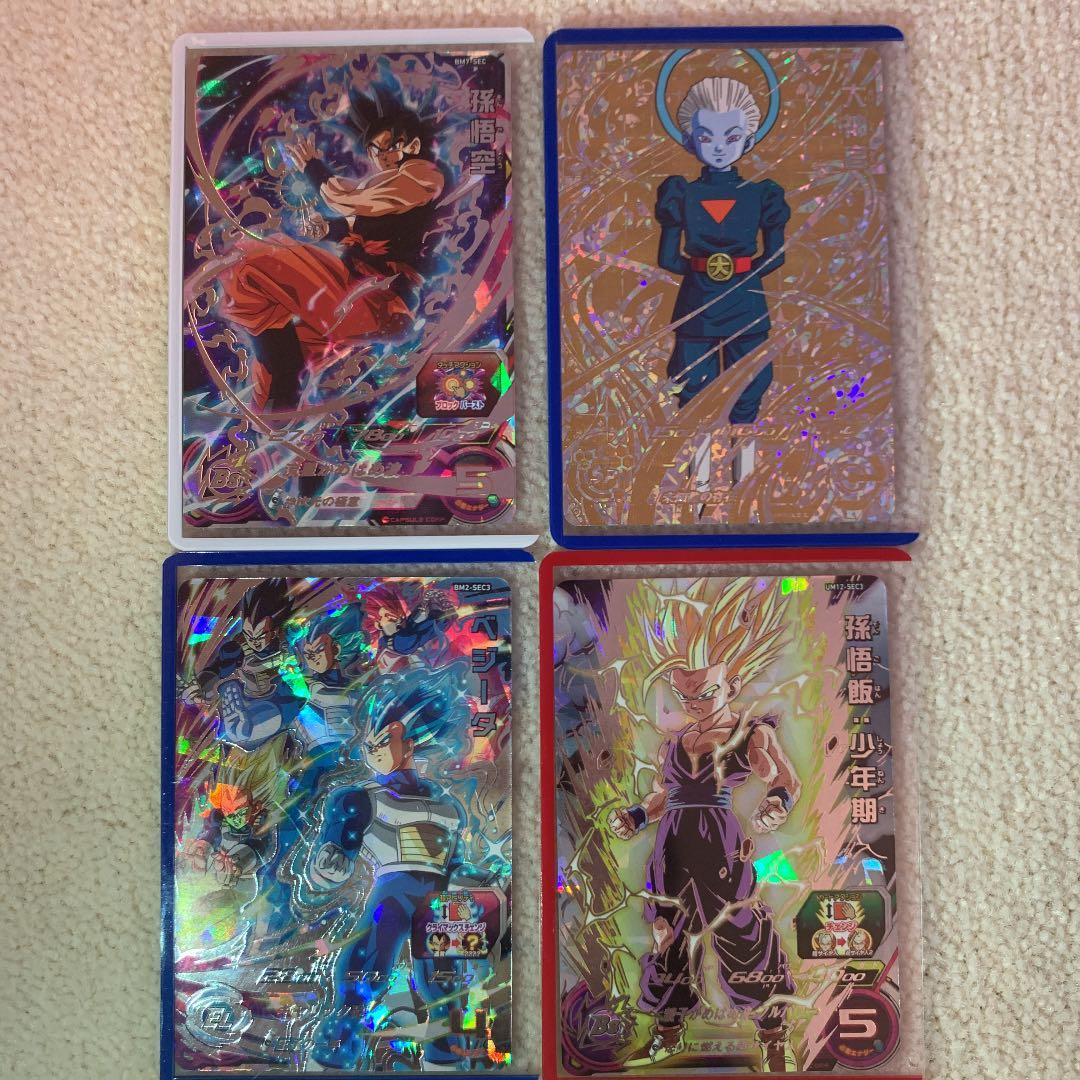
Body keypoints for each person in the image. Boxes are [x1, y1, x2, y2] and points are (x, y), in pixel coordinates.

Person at [609, 579, 800, 1072]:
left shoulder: (750, 733)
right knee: (666, 934)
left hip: (720, 843)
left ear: (730, 687)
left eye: (705, 693)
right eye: (685, 695)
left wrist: (777, 802)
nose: (693, 704)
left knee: (742, 932)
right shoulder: (673, 744)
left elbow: (783, 778)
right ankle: (668, 1032)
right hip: (671, 846)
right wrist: (636, 816)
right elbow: (663, 796)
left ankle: (773, 1036)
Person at [217, 90, 447, 412]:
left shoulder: (424, 176)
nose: (383, 157)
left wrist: (314, 168)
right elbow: (359, 223)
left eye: (390, 146)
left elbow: (350, 201)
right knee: (283, 365)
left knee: (251, 258)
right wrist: (325, 228)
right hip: (352, 292)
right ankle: (275, 417)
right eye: (375, 150)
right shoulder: (387, 193)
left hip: (378, 302)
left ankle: (280, 394)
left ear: (412, 145)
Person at [656, 77, 791, 489]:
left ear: (748, 139)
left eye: (731, 137)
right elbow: (666, 258)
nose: (718, 147)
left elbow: (777, 253)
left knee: (746, 389)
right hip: (709, 305)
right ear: (690, 140)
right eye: (706, 136)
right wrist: (730, 273)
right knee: (696, 390)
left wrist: (718, 273)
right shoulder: (679, 193)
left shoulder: (763, 194)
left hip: (734, 303)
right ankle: (700, 485)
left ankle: (741, 485)